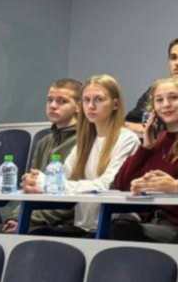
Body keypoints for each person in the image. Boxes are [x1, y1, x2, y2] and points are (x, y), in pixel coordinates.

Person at [23, 75, 139, 235]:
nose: (91, 106)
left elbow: (106, 185)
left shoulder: (127, 139)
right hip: (82, 226)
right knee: (37, 236)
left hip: (114, 225)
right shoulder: (84, 142)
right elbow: (62, 178)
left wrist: (48, 183)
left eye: (98, 99)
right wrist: (36, 182)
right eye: (86, 100)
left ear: (115, 104)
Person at [111, 77, 178, 242]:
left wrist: (169, 187)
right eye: (159, 100)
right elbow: (121, 184)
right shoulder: (159, 140)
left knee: (121, 230)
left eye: (174, 98)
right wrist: (145, 148)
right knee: (114, 224)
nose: (166, 104)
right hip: (149, 220)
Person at [0, 78, 81, 232]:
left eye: (62, 101)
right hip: (34, 219)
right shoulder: (44, 142)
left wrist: (26, 219)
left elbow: (74, 201)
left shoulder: (84, 142)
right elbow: (30, 190)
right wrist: (16, 217)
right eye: (50, 100)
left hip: (65, 223)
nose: (53, 105)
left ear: (78, 107)